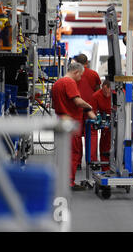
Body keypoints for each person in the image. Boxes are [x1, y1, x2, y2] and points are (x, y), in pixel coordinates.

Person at [52, 62, 96, 191]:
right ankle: (69, 183)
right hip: (70, 125)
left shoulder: (57, 83)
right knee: (74, 153)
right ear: (76, 72)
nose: (81, 78)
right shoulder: (69, 82)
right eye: (80, 75)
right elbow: (77, 101)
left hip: (60, 122)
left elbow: (55, 106)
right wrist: (89, 107)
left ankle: (60, 180)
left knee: (62, 154)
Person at [74, 53, 101, 163]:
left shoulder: (74, 74)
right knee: (92, 135)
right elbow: (98, 91)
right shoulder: (94, 74)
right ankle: (92, 161)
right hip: (91, 109)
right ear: (87, 62)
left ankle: (77, 162)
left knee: (76, 136)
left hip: (76, 109)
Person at [91, 79, 112, 171]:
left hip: (119, 121)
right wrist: (97, 119)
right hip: (105, 122)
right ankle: (105, 167)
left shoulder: (120, 94)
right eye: (104, 91)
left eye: (108, 92)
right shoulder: (96, 96)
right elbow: (93, 111)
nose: (107, 94)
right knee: (105, 144)